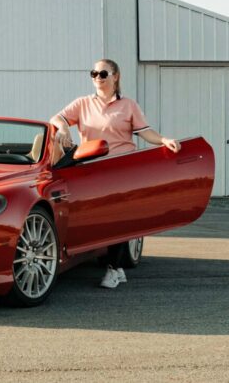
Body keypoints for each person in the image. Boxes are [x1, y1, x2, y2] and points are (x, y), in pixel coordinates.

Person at [49, 58, 180, 289]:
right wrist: (61, 126)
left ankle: (113, 269)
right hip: (92, 170)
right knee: (100, 219)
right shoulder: (82, 104)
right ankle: (117, 268)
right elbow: (57, 117)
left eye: (103, 74)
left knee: (119, 219)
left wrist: (163, 140)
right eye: (94, 73)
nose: (97, 78)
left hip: (122, 168)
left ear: (115, 76)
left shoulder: (128, 105)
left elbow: (145, 132)